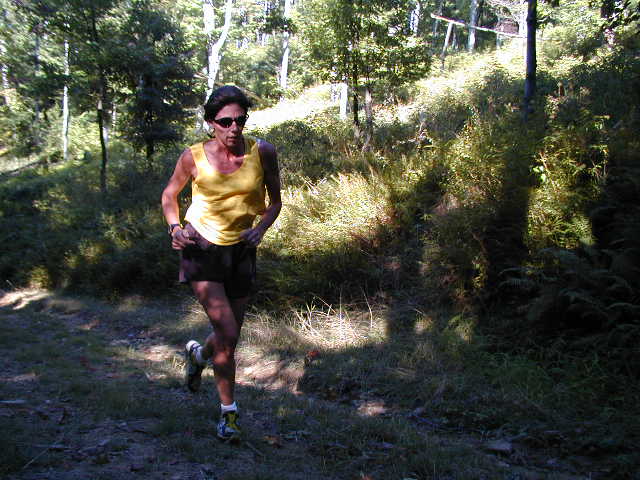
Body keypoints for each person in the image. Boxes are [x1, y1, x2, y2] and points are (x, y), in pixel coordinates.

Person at [161, 85, 282, 442]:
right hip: (201, 248)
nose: (233, 128)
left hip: (241, 250)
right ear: (211, 122)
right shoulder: (193, 156)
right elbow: (170, 194)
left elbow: (275, 202)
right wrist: (174, 227)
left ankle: (198, 356)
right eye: (225, 121)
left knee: (230, 335)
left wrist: (261, 228)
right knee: (227, 334)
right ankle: (229, 415)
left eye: (240, 120)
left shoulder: (263, 152)